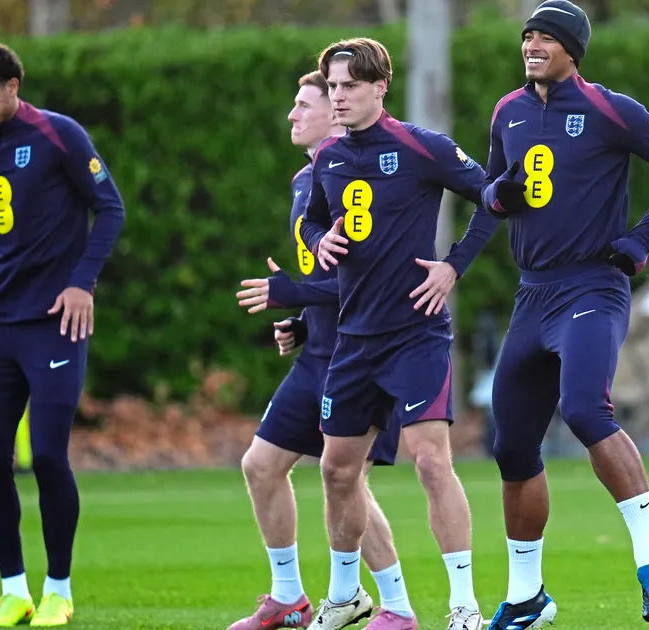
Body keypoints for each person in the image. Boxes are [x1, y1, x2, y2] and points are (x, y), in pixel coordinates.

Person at [476, 2, 649, 628]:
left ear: (573, 50)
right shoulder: (507, 110)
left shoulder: (609, 108)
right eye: (527, 36)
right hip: (532, 294)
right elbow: (489, 190)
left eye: (545, 37)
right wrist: (497, 195)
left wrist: (640, 239)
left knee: (584, 409)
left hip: (590, 287)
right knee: (512, 445)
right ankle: (527, 595)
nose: (532, 45)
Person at [298, 37, 501, 630]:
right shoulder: (329, 158)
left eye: (350, 86)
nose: (338, 97)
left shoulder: (421, 147)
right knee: (337, 470)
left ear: (380, 86)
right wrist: (319, 241)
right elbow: (312, 220)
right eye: (333, 87)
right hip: (354, 338)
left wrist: (453, 266)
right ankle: (345, 596)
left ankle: (464, 606)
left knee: (431, 462)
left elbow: (492, 198)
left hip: (416, 334)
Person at [229, 70, 417, 630]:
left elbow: (371, 277)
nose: (293, 114)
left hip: (362, 355)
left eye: (303, 104)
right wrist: (303, 320)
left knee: (347, 478)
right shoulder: (304, 179)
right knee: (261, 466)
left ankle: (397, 607)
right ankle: (289, 597)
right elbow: (329, 277)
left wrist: (294, 294)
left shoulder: (355, 176)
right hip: (319, 354)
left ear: (335, 115)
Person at [0, 39, 127, 628]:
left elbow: (111, 209)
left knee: (49, 455)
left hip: (55, 323)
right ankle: (13, 591)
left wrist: (82, 283)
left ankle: (58, 589)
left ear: (12, 86)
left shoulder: (58, 134)